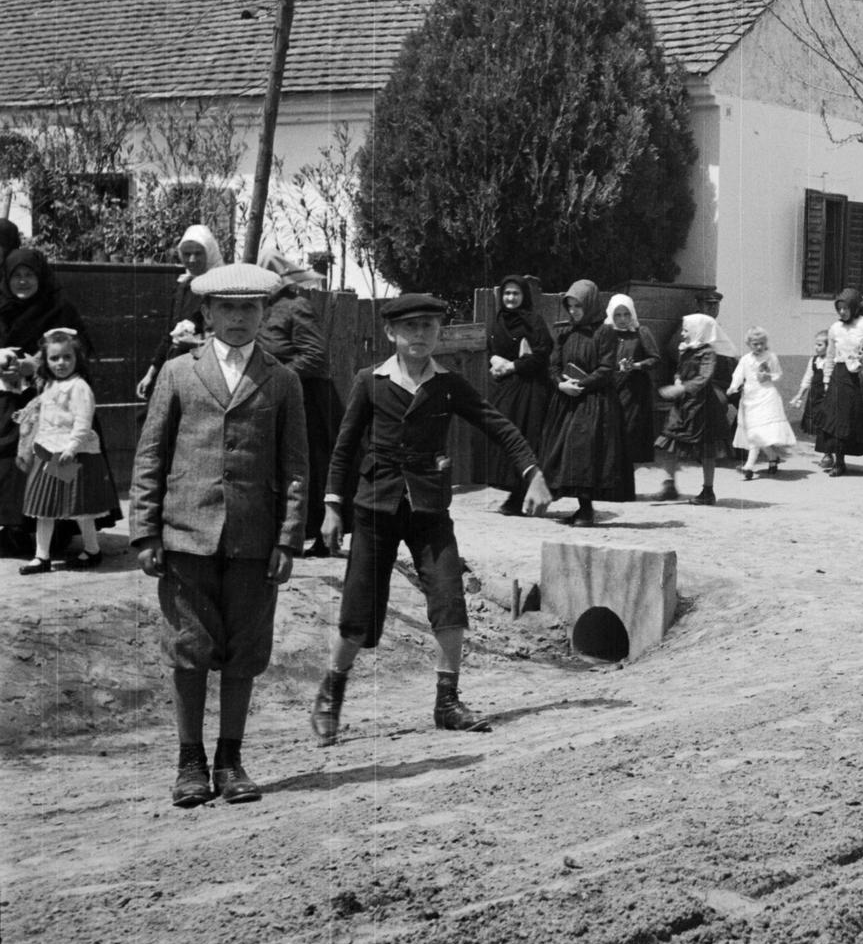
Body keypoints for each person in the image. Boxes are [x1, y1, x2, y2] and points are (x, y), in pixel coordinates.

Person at [310, 294, 552, 746]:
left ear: (439, 333)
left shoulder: (448, 384)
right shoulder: (370, 381)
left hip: (429, 508)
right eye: (410, 327)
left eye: (429, 326)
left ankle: (447, 702)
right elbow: (343, 448)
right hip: (375, 507)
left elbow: (496, 424)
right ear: (391, 333)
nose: (420, 335)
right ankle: (331, 695)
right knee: (359, 612)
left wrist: (532, 472)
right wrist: (330, 505)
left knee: (448, 598)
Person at [129, 263, 308, 808]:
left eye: (249, 308)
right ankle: (190, 762)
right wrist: (145, 532)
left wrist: (287, 538)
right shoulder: (179, 373)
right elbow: (151, 454)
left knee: (244, 650)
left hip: (254, 541)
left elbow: (297, 468)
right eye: (226, 308)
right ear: (206, 313)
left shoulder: (282, 379)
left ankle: (230, 760)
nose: (237, 318)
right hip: (187, 535)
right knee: (189, 648)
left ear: (264, 313)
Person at [2, 247, 99, 558]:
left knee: (51, 465)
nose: (23, 281)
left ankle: (57, 533)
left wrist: (36, 364)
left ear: (40, 277)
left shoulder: (58, 309)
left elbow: (78, 351)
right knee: (10, 463)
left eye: (29, 275)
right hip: (8, 402)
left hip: (54, 403)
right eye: (16, 275)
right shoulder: (1, 308)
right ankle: (14, 529)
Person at [16, 329, 119, 573]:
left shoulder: (79, 386)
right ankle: (42, 556)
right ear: (46, 361)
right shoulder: (50, 384)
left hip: (71, 455)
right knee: (45, 506)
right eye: (54, 358)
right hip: (50, 452)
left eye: (67, 357)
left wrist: (72, 447)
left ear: (77, 359)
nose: (60, 363)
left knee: (80, 507)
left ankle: (92, 550)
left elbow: (84, 421)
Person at [256, 249, 336, 556]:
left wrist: (278, 376)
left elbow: (315, 356)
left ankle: (322, 537)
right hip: (275, 399)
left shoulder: (297, 305)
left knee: (311, 467)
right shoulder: (262, 307)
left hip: (309, 397)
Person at [538, 280, 634, 527]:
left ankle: (586, 509)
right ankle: (577, 506)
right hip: (567, 401)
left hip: (594, 402)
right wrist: (560, 384)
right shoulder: (564, 332)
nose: (573, 311)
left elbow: (606, 368)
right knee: (564, 452)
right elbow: (553, 365)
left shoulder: (605, 333)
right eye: (569, 306)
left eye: (577, 306)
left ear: (589, 304)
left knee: (586, 454)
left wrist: (581, 385)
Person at [486, 274, 554, 516]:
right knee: (503, 437)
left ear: (524, 296)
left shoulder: (533, 321)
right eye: (507, 293)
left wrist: (514, 366)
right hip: (506, 389)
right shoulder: (497, 321)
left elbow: (543, 353)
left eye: (516, 293)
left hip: (531, 389)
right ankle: (515, 492)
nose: (511, 298)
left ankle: (522, 495)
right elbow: (491, 349)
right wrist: (494, 360)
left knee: (526, 437)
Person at [136, 223, 224, 402]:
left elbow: (226, 336)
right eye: (186, 253)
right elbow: (169, 334)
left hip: (206, 372)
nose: (191, 259)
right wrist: (151, 373)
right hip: (177, 366)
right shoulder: (183, 287)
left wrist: (198, 343)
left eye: (198, 253)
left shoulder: (220, 289)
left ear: (210, 253)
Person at [655, 314, 734, 504]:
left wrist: (680, 388)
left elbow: (704, 377)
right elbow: (681, 370)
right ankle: (669, 485)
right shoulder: (686, 350)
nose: (682, 334)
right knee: (669, 439)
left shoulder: (708, 352)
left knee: (707, 448)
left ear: (699, 331)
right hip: (683, 405)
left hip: (702, 406)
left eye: (686, 330)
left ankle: (708, 491)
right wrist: (677, 379)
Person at [821, 288, 863, 477]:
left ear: (854, 307)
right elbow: (830, 355)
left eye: (845, 308)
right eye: (839, 308)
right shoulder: (835, 328)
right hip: (840, 374)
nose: (842, 312)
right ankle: (839, 462)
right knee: (837, 418)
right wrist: (827, 379)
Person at [728, 327, 797, 478]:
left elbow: (778, 374)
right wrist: (733, 387)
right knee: (755, 432)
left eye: (761, 343)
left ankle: (749, 466)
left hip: (767, 396)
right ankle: (772, 457)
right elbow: (738, 374)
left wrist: (769, 376)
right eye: (755, 344)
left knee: (759, 432)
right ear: (749, 344)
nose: (759, 347)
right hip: (750, 398)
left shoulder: (770, 357)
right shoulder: (746, 359)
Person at [606, 293, 662, 472]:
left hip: (634, 392)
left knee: (629, 432)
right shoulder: (606, 334)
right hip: (612, 389)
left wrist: (636, 365)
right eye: (618, 315)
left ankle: (626, 478)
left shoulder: (641, 332)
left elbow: (655, 358)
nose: (622, 319)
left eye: (626, 314)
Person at [790, 328, 831, 463]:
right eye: (816, 344)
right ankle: (827, 454)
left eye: (820, 345)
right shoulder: (813, 360)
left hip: (827, 398)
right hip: (814, 397)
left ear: (829, 346)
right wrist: (799, 395)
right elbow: (807, 379)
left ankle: (828, 454)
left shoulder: (832, 362)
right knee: (819, 426)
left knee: (827, 425)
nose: (816, 347)